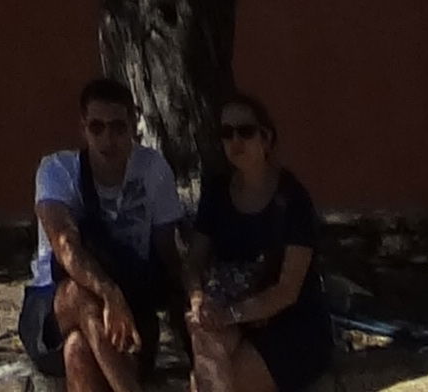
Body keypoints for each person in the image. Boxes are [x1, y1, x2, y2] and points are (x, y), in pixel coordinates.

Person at [24, 72, 184, 392]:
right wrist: (109, 293)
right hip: (54, 308)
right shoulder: (57, 171)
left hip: (130, 306)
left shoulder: (153, 170)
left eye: (117, 127)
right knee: (82, 296)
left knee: (78, 350)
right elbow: (65, 247)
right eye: (97, 127)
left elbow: (167, 254)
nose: (107, 139)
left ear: (133, 125)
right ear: (83, 127)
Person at [187, 97, 332, 392]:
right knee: (205, 348)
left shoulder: (292, 200)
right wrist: (198, 299)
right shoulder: (217, 192)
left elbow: (287, 291)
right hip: (229, 312)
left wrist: (229, 315)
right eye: (227, 133)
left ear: (266, 138)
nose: (235, 141)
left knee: (215, 382)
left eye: (245, 131)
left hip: (289, 323)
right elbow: (194, 261)